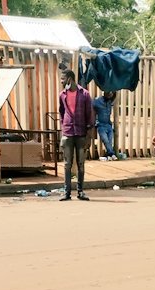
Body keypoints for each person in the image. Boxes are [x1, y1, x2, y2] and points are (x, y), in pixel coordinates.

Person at [58, 69, 93, 201]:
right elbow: (61, 112)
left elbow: (89, 115)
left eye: (63, 79)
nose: (61, 81)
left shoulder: (84, 94)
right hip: (68, 132)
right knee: (67, 164)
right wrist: (64, 126)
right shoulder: (62, 95)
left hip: (81, 133)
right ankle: (67, 192)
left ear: (70, 79)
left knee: (81, 163)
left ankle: (80, 191)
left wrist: (89, 136)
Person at [93, 91, 117, 160]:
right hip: (101, 125)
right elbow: (90, 104)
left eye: (111, 93)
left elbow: (115, 95)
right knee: (105, 140)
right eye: (109, 93)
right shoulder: (98, 101)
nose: (110, 94)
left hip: (108, 124)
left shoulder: (110, 101)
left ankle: (109, 154)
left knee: (109, 141)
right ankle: (112, 154)